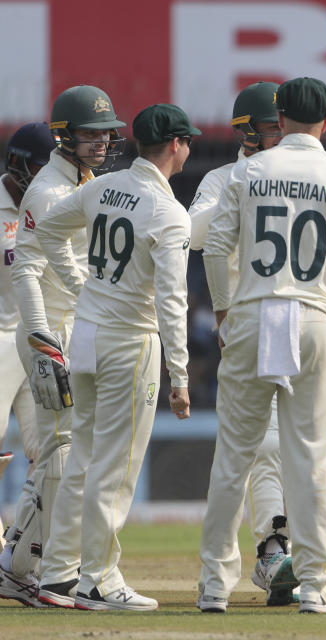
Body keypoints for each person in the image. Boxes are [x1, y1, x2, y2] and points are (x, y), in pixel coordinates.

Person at [198, 77, 326, 615]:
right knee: (311, 459)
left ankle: (213, 586)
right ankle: (317, 587)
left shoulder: (248, 170)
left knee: (233, 458)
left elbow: (212, 250)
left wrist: (226, 309)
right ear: (325, 121)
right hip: (315, 316)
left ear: (279, 117)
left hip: (255, 312)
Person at [33, 103, 195, 611]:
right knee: (116, 468)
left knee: (83, 458)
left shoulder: (102, 187)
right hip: (130, 342)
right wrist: (181, 373)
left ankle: (59, 574)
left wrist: (81, 286)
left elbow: (45, 231)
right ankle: (98, 580)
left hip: (87, 333)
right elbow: (172, 299)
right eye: (186, 142)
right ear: (175, 146)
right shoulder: (168, 211)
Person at [0, 86, 125, 609]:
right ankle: (21, 564)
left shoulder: (84, 183)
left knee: (61, 452)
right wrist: (41, 334)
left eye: (104, 133)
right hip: (33, 333)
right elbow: (28, 270)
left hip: (58, 331)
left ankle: (24, 562)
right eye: (89, 133)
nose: (100, 142)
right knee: (61, 452)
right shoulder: (47, 192)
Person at [188, 81, 298, 607]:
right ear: (249, 131)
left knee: (288, 448)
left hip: (298, 323)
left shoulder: (305, 171)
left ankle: (275, 550)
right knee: (252, 447)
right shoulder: (220, 178)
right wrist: (246, 185)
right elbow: (192, 235)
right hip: (244, 326)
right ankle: (253, 559)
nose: (286, 133)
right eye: (276, 125)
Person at [0, 124, 55, 540]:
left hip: (36, 338)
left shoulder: (54, 203)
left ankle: (22, 547)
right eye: (40, 164)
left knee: (50, 452)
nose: (46, 172)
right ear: (17, 163)